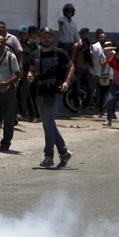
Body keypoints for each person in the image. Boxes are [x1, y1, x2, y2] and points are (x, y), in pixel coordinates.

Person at [29, 26, 74, 168]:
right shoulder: (35, 54)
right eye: (43, 36)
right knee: (48, 123)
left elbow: (71, 66)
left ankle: (49, 156)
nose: (46, 39)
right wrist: (30, 75)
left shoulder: (59, 53)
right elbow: (31, 69)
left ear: (52, 38)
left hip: (55, 92)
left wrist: (67, 82)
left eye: (49, 36)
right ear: (39, 38)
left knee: (47, 123)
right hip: (41, 92)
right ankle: (64, 152)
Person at [17, 25, 38, 122]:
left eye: (24, 33)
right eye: (21, 33)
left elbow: (37, 55)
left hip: (29, 71)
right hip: (19, 71)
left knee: (25, 92)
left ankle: (24, 113)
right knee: (23, 93)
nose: (23, 35)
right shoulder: (17, 42)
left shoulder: (32, 43)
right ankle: (30, 114)